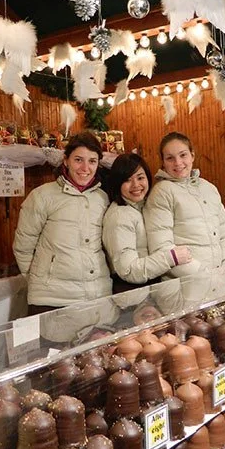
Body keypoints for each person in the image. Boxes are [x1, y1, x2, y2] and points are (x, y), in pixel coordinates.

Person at [14, 131, 112, 314]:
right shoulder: (42, 196)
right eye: (78, 160)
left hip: (97, 295)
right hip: (51, 300)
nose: (85, 168)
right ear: (66, 160)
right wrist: (41, 280)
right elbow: (23, 246)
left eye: (92, 161)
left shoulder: (103, 198)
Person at [144, 132, 225, 280]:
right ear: (163, 162)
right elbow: (162, 247)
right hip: (185, 286)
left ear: (192, 156)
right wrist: (203, 274)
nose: (178, 163)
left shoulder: (209, 188)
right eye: (170, 158)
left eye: (183, 155)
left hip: (219, 281)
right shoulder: (162, 192)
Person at [102, 154, 192, 291]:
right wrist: (170, 257)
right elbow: (128, 270)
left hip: (151, 286)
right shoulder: (120, 216)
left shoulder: (144, 206)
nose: (136, 185)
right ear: (117, 183)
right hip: (132, 292)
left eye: (140, 178)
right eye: (127, 180)